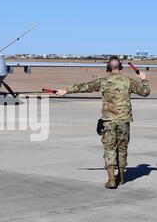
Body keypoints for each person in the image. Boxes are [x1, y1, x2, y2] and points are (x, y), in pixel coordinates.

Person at [56, 56, 151, 189]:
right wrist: (144, 79)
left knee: (109, 148)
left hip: (109, 121)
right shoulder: (128, 81)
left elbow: (85, 86)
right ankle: (122, 178)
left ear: (108, 67)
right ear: (121, 66)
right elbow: (145, 91)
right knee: (122, 148)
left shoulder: (103, 81)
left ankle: (111, 179)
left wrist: (66, 90)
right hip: (124, 121)